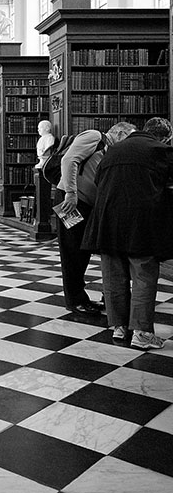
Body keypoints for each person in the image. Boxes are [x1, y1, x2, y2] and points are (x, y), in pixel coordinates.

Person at [82, 117, 173, 350]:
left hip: (107, 221)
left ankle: (120, 328)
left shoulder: (113, 149)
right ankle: (142, 333)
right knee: (143, 275)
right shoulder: (162, 150)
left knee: (113, 275)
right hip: (141, 223)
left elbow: (98, 179)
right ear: (165, 137)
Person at [56, 121, 135, 314]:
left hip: (86, 204)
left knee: (83, 250)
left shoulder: (109, 150)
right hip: (71, 201)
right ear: (120, 133)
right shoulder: (94, 136)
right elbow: (69, 160)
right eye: (128, 139)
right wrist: (71, 193)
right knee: (72, 250)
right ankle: (75, 300)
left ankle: (83, 298)